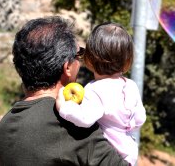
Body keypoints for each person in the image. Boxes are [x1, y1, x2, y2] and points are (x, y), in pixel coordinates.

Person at [0, 17, 129, 166]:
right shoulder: (71, 122)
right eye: (79, 55)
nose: (81, 62)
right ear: (67, 68)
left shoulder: (6, 123)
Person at [56, 22, 146, 166]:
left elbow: (84, 119)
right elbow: (140, 118)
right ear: (127, 59)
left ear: (90, 58)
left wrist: (64, 107)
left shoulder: (95, 89)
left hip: (109, 154)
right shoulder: (131, 85)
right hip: (129, 152)